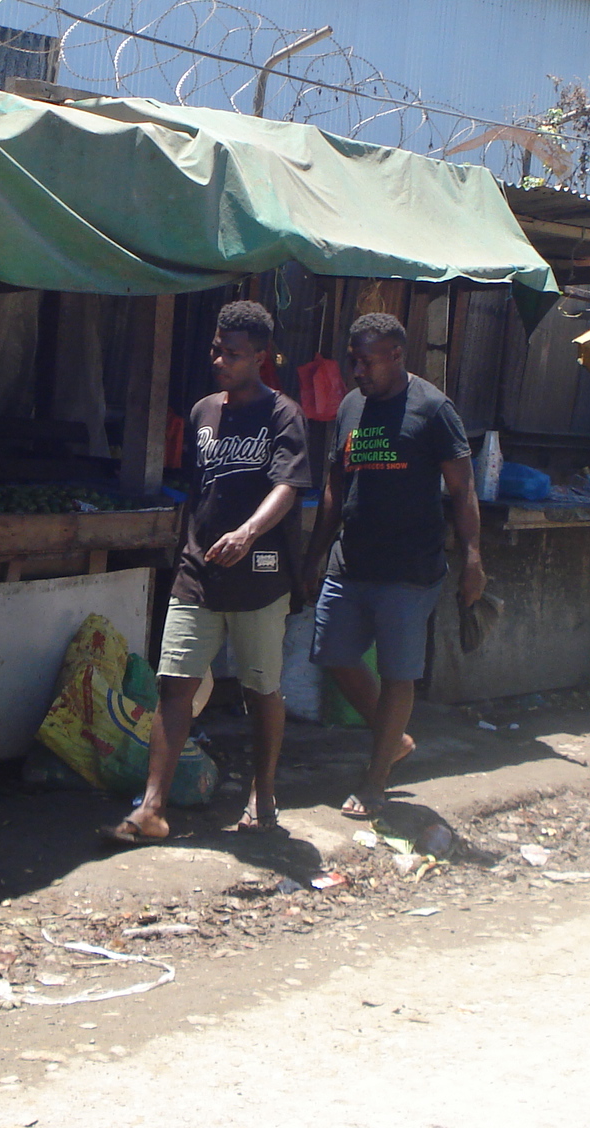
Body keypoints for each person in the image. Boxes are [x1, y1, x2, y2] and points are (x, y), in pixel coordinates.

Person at [101, 301, 308, 847]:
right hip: (198, 573)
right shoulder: (200, 413)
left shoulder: (283, 415)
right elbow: (200, 492)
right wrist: (189, 547)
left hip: (260, 577)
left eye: (233, 353)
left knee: (261, 689)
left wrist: (248, 534)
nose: (220, 359)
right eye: (217, 349)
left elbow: (288, 487)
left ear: (260, 358)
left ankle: (262, 795)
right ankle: (152, 809)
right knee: (175, 686)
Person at [302, 311, 483, 820]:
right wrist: (314, 555)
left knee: (400, 673)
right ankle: (394, 737)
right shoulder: (351, 406)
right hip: (351, 560)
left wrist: (472, 557)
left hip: (410, 567)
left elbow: (463, 488)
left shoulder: (432, 410)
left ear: (397, 355)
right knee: (333, 653)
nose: (358, 371)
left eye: (367, 361)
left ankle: (375, 780)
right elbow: (336, 485)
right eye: (353, 360)